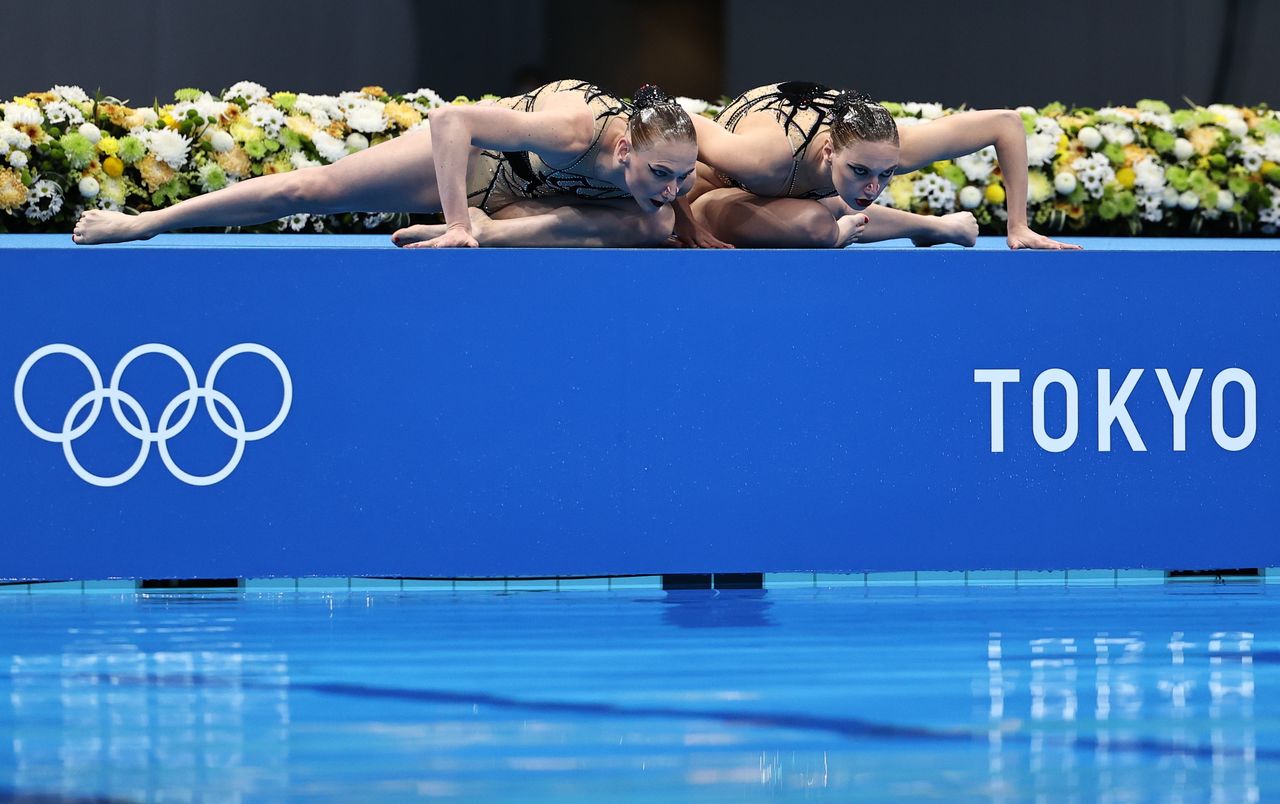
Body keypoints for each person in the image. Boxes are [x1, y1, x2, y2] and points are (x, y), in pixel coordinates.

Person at [72, 80, 697, 248]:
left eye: (682, 176)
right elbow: (451, 121)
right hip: (480, 167)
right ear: (624, 150)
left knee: (658, 225)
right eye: (661, 175)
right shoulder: (575, 130)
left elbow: (678, 197)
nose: (672, 186)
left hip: (529, 207)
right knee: (312, 189)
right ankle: (145, 223)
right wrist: (456, 224)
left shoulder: (670, 160)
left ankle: (493, 234)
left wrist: (691, 220)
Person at [675, 81, 1080, 250]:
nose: (873, 187)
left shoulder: (890, 149)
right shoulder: (763, 157)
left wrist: (1018, 226)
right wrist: (686, 221)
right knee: (818, 225)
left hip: (794, 192)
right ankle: (932, 226)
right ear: (830, 151)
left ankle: (932, 228)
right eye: (860, 172)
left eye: (884, 175)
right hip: (715, 187)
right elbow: (679, 123)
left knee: (821, 216)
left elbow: (1005, 124)